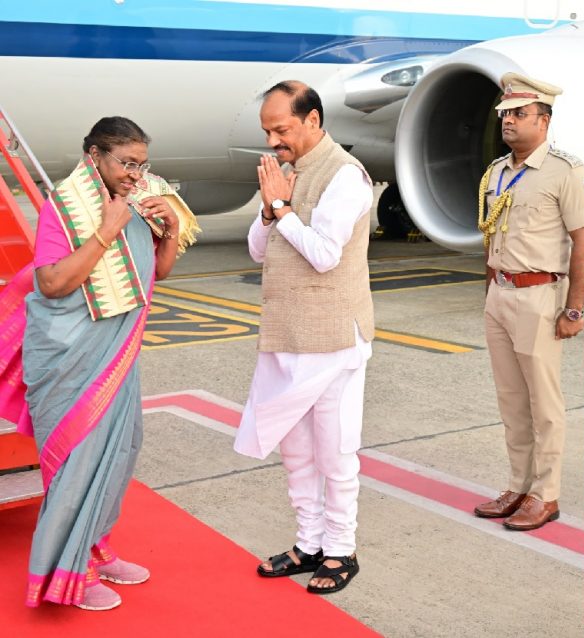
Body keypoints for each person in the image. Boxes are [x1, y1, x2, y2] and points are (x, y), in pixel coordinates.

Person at [2, 116, 198, 611]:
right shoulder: (64, 208)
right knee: (77, 462)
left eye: (142, 163)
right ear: (95, 157)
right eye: (126, 163)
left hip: (118, 354)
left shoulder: (139, 201)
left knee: (121, 450)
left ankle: (93, 545)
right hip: (68, 357)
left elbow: (160, 270)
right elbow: (52, 283)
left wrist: (170, 229)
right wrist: (106, 233)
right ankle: (67, 573)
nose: (136, 173)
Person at [234, 81, 374, 594]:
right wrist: (271, 207)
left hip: (334, 338)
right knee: (295, 451)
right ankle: (309, 542)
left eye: (282, 129)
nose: (273, 140)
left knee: (335, 452)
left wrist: (283, 209)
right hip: (287, 336)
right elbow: (256, 250)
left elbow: (324, 255)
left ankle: (341, 549)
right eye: (268, 131)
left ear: (313, 120)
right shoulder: (287, 174)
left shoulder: (346, 177)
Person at [473, 73, 584, 530]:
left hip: (540, 296)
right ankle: (518, 484)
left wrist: (574, 308)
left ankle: (545, 495)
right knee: (511, 400)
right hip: (501, 296)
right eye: (505, 113)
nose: (508, 121)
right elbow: (491, 237)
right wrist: (490, 291)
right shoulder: (497, 171)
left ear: (543, 120)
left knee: (544, 403)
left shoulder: (566, 171)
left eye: (519, 113)